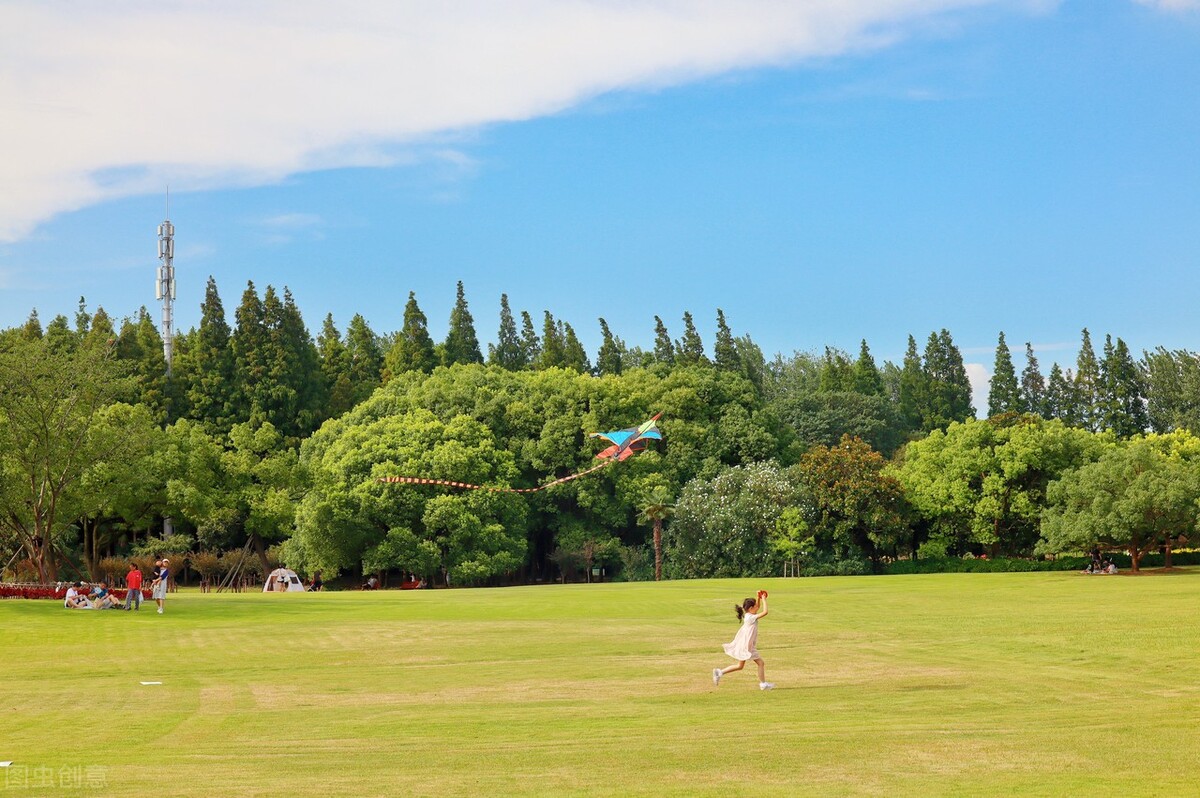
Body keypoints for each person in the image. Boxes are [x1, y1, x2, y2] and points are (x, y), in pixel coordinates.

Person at [713, 589, 774, 690]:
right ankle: (763, 684)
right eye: (755, 606)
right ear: (750, 608)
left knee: (740, 666)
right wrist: (764, 599)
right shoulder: (751, 618)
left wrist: (758, 597)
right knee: (761, 663)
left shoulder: (749, 615)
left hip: (746, 645)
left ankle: (719, 672)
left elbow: (758, 607)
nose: (757, 607)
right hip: (748, 646)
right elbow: (765, 612)